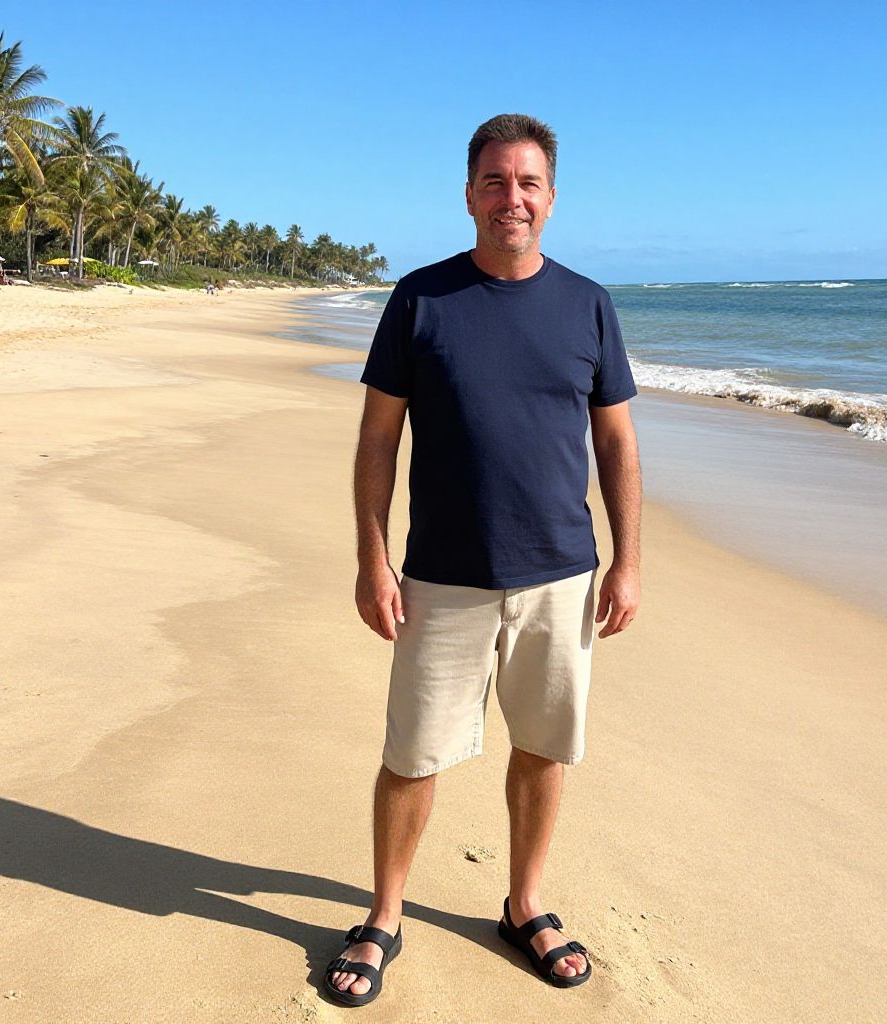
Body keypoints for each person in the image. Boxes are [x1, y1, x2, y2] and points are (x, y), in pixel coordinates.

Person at [328, 113, 642, 1007]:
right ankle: (385, 915)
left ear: (551, 196)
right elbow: (378, 438)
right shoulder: (422, 298)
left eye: (529, 182)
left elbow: (616, 445)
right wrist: (371, 558)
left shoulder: (588, 304)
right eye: (496, 182)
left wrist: (627, 561)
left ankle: (525, 904)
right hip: (441, 577)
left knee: (543, 749)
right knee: (413, 756)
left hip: (560, 575)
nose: (513, 198)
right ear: (469, 195)